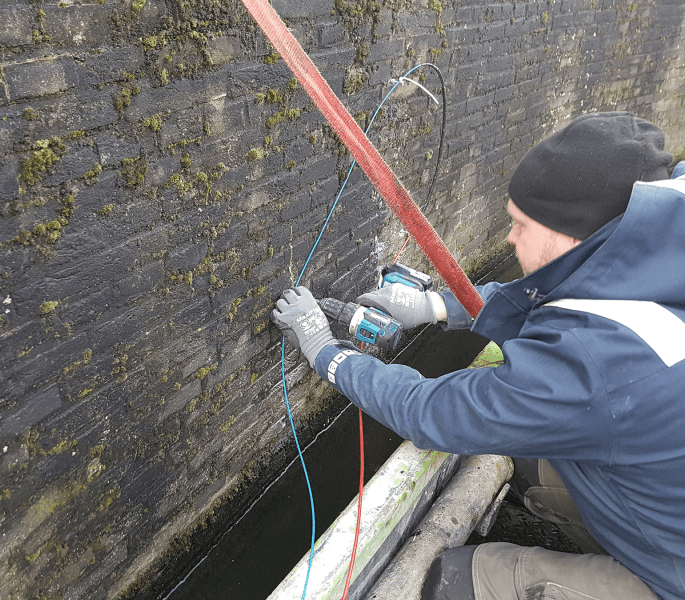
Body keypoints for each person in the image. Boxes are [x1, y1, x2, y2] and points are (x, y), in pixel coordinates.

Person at [272, 112, 685, 600]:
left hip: (671, 576)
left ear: (573, 237)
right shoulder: (659, 242)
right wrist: (435, 303)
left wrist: (327, 353)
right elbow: (563, 297)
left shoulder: (594, 367)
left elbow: (430, 412)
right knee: (530, 454)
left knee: (457, 580)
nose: (508, 238)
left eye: (519, 224)